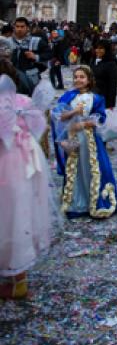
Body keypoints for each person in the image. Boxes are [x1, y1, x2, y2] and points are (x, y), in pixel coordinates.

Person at [0, 63, 54, 299]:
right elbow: (38, 126)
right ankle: (18, 277)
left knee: (7, 216)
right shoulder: (22, 101)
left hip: (7, 163)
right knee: (20, 213)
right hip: (28, 163)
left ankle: (15, 277)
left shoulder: (5, 105)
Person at [51, 65, 117, 219]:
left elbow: (100, 118)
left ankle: (95, 201)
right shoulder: (67, 97)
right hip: (73, 138)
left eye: (82, 77)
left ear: (89, 80)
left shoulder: (96, 98)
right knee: (76, 169)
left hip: (90, 139)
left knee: (93, 167)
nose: (78, 80)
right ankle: (78, 201)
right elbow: (59, 116)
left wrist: (83, 123)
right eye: (76, 77)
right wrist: (74, 113)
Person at [11, 16, 51, 96]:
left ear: (27, 28)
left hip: (31, 79)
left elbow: (49, 53)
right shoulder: (8, 42)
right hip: (12, 79)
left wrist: (35, 56)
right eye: (17, 26)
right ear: (14, 28)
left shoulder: (36, 41)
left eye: (22, 27)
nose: (19, 29)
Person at [91, 38, 117, 109]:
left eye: (101, 48)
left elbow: (113, 85)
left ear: (106, 50)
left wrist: (111, 104)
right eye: (96, 48)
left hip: (103, 97)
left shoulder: (111, 64)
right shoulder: (93, 61)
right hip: (92, 96)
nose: (98, 50)